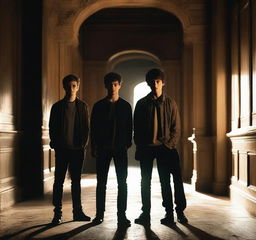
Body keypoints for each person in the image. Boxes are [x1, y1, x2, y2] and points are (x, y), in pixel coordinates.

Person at [134, 68, 188, 226]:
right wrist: (140, 145)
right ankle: (146, 214)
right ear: (148, 83)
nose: (155, 84)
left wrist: (168, 145)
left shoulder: (170, 103)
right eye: (152, 81)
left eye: (158, 81)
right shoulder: (141, 104)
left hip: (165, 147)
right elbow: (136, 127)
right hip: (146, 148)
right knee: (145, 181)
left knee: (167, 181)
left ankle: (173, 213)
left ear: (163, 82)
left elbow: (176, 128)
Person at [90, 72, 132, 228]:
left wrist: (126, 144)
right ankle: (99, 215)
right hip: (103, 148)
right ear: (105, 86)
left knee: (123, 183)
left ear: (120, 85)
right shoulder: (98, 106)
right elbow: (93, 128)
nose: (113, 87)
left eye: (116, 84)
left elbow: (129, 127)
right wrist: (94, 146)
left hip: (120, 149)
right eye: (110, 84)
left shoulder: (126, 106)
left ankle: (122, 216)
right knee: (101, 183)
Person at [49, 74, 91, 225]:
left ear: (77, 87)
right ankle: (57, 213)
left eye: (74, 86)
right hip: (62, 150)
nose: (71, 89)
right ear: (64, 87)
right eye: (68, 86)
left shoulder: (83, 106)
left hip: (77, 150)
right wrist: (56, 143)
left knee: (76, 182)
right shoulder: (57, 107)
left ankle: (77, 211)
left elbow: (87, 128)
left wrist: (82, 145)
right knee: (58, 181)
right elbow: (52, 127)